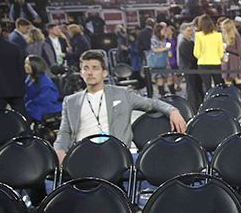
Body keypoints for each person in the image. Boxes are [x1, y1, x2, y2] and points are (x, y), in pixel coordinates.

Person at [54, 50, 187, 164]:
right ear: (81, 73)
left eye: (95, 68)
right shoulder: (70, 101)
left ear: (104, 73)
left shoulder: (122, 94)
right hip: (81, 154)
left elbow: (152, 103)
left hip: (114, 154)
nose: (90, 73)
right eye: (86, 68)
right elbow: (64, 131)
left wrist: (172, 111)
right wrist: (60, 150)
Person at [0, 17, 27, 115]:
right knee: (22, 119)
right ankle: (27, 131)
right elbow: (21, 69)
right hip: (16, 90)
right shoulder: (14, 47)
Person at [24, 55, 62, 122]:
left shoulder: (45, 81)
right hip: (32, 105)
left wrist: (28, 105)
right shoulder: (29, 78)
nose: (25, 66)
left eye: (28, 64)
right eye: (25, 63)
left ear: (35, 65)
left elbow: (46, 99)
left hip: (44, 106)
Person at [194, 14, 224, 90]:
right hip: (216, 62)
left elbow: (196, 52)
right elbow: (221, 52)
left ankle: (208, 101)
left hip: (203, 63)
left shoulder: (198, 35)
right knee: (218, 85)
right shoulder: (218, 35)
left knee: (207, 86)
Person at [178, 22, 203, 111]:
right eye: (188, 31)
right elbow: (191, 57)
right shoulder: (183, 43)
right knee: (191, 89)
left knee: (196, 88)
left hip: (193, 69)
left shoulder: (191, 42)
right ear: (183, 32)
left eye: (191, 30)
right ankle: (193, 107)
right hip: (189, 69)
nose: (191, 32)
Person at [149, 23, 174, 96]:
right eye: (163, 30)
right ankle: (162, 95)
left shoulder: (164, 38)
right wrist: (165, 48)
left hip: (165, 61)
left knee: (170, 77)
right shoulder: (154, 39)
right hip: (158, 62)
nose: (164, 31)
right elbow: (155, 50)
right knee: (160, 79)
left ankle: (173, 94)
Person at [220, 18, 241, 93]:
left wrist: (227, 48)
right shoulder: (222, 36)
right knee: (227, 82)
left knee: (238, 81)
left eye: (224, 27)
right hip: (225, 62)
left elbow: (239, 52)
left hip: (234, 62)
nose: (222, 29)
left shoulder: (237, 36)